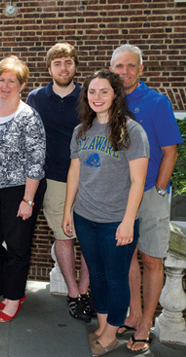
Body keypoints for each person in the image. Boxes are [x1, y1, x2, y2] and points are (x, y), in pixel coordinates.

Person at [62, 70, 149, 356]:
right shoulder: (81, 131)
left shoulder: (132, 131)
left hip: (116, 221)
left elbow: (138, 181)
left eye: (103, 92)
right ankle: (102, 326)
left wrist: (127, 222)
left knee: (116, 278)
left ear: (115, 95)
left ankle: (112, 334)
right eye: (91, 92)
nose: (96, 97)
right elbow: (74, 172)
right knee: (96, 276)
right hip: (86, 217)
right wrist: (67, 211)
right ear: (85, 97)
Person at [109, 44, 182, 353]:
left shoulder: (157, 102)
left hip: (150, 192)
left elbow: (170, 151)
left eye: (130, 66)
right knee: (126, 258)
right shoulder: (106, 100)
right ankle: (134, 313)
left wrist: (161, 188)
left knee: (151, 259)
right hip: (118, 195)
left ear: (141, 70)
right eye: (119, 66)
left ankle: (145, 323)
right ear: (111, 69)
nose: (124, 72)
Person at [26, 43, 93, 322]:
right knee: (63, 236)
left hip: (90, 177)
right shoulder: (36, 97)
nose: (63, 68)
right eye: (57, 63)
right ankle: (74, 293)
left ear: (75, 65)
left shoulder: (89, 96)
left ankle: (87, 291)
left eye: (68, 62)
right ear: (49, 68)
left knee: (89, 236)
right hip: (54, 178)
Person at [0, 56, 46, 322]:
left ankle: (13, 297)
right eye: (2, 80)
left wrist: (28, 200)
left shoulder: (28, 117)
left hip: (20, 190)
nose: (5, 86)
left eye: (12, 81)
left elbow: (36, 160)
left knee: (17, 246)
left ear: (22, 85)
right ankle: (10, 287)